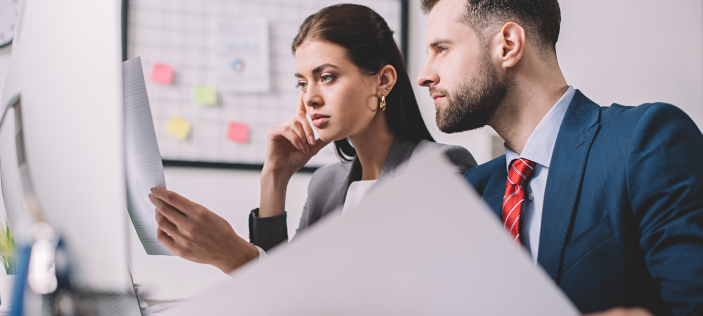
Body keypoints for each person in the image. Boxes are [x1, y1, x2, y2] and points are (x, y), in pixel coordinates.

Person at [416, 0, 703, 315]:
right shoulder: (472, 192)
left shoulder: (646, 140)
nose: (424, 75)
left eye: (441, 49)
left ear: (508, 46)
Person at [148, 4, 476, 274]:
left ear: (383, 82)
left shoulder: (438, 167)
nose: (310, 98)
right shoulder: (326, 184)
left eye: (327, 77)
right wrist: (275, 178)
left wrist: (236, 257)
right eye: (302, 83)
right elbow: (284, 296)